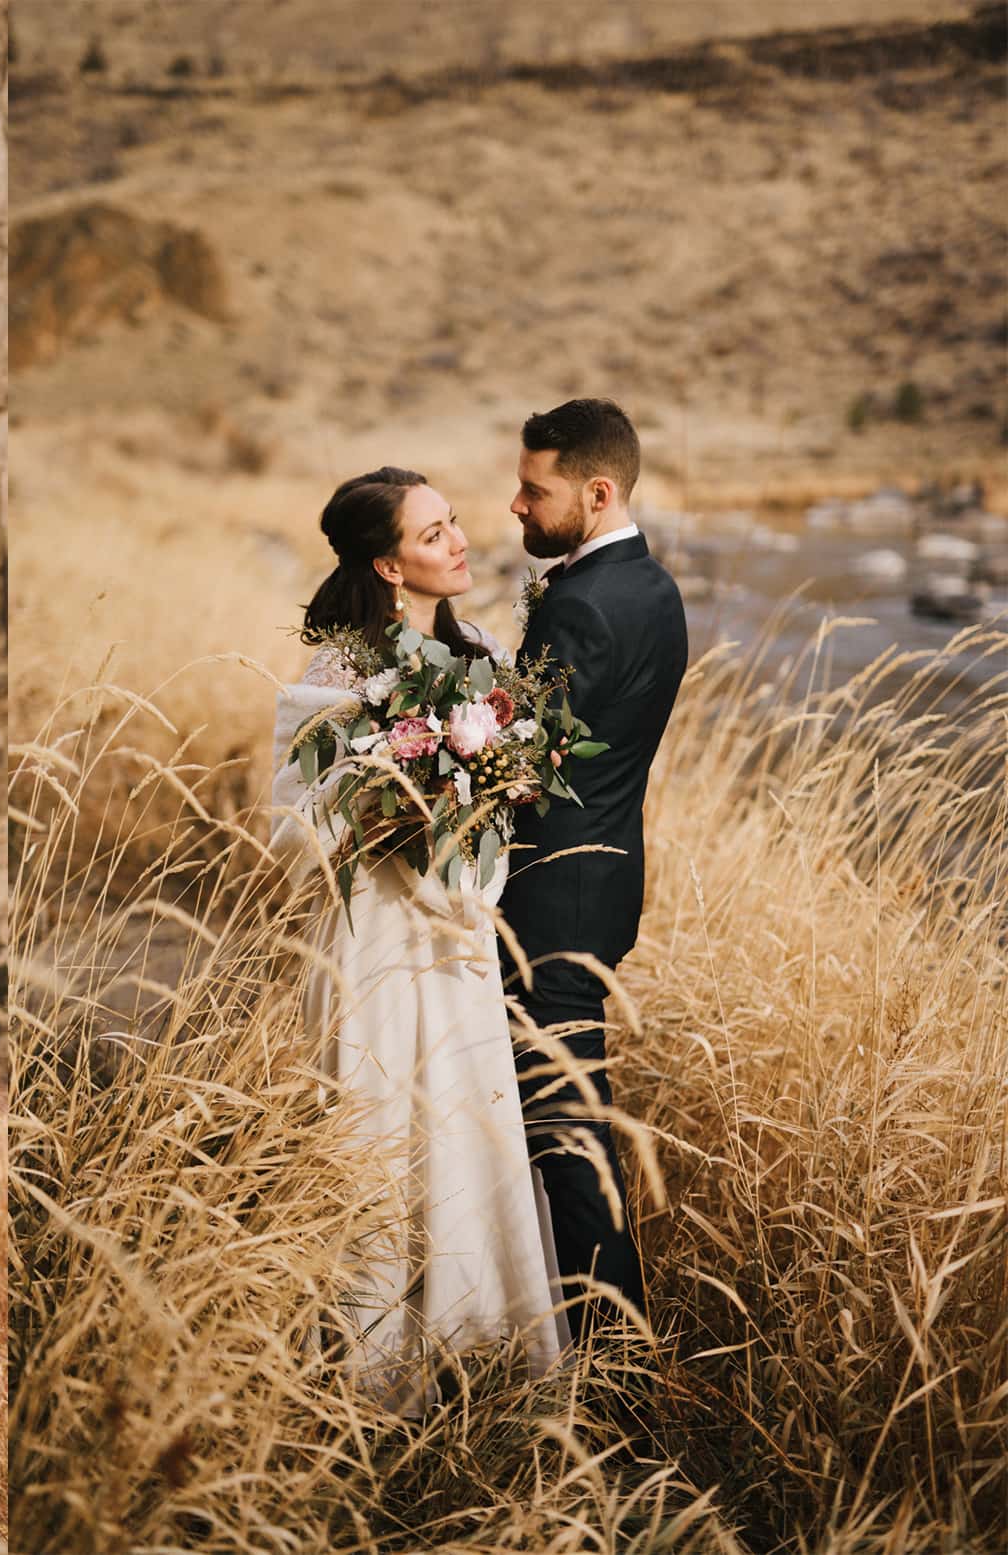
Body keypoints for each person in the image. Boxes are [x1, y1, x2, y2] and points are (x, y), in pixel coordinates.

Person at [271, 467, 567, 1414]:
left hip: (461, 938)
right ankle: (374, 1372)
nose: (460, 543)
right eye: (435, 533)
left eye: (453, 526)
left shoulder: (480, 656)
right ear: (388, 565)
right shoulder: (341, 674)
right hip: (379, 940)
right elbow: (295, 827)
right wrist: (398, 814)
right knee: (384, 1129)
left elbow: (505, 788)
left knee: (467, 1125)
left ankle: (479, 1348)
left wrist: (493, 789)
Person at [499, 398, 686, 1346]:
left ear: (597, 490)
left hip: (551, 905)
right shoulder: (653, 588)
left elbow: (523, 769)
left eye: (537, 490)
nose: (518, 507)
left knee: (570, 1141)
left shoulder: (578, 604)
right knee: (568, 1127)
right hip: (603, 888)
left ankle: (617, 1368)